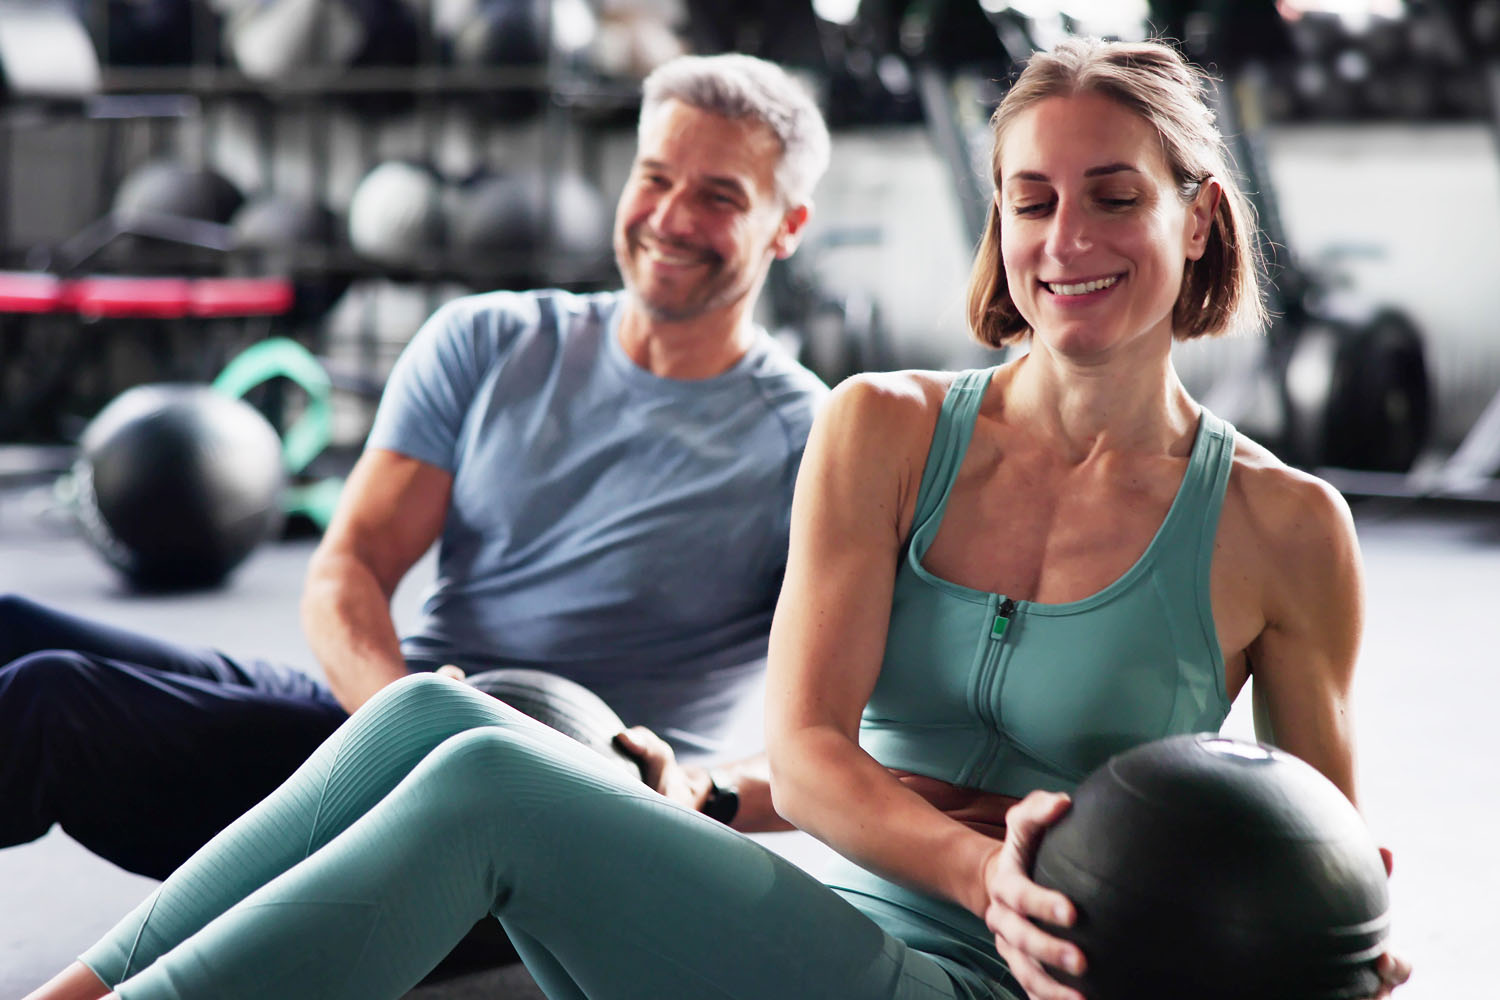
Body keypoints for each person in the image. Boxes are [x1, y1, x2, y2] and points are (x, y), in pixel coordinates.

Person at [25, 36, 1411, 1000]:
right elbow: (808, 758)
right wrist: (971, 859)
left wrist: (1347, 944)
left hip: (1022, 982)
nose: (1069, 242)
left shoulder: (1286, 527)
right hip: (822, 921)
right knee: (433, 720)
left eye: (1118, 198)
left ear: (1202, 218)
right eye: (1032, 201)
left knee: (488, 784)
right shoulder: (884, 427)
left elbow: (1318, 852)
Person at [0, 49, 830, 885]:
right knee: (11, 624)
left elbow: (844, 740)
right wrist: (404, 718)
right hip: (398, 715)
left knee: (49, 706)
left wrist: (702, 791)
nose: (672, 218)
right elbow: (349, 565)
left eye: (720, 196)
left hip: (548, 793)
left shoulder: (813, 442)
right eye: (656, 178)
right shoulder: (491, 339)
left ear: (787, 226)